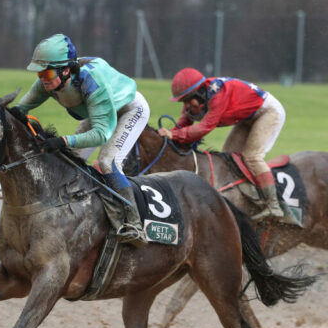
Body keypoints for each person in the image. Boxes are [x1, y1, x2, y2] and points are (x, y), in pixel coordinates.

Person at [14, 33, 150, 247]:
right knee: (69, 161)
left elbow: (102, 134)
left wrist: (63, 140)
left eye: (47, 72)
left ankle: (133, 224)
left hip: (129, 110)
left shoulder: (91, 83)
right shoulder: (46, 82)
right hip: (98, 113)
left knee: (107, 163)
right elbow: (19, 111)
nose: (42, 78)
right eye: (39, 73)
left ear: (66, 70)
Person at [158, 67, 285, 220]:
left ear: (199, 93)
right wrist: (169, 136)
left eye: (187, 100)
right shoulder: (197, 98)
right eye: (183, 101)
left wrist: (174, 134)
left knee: (252, 156)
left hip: (267, 112)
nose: (186, 106)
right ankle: (246, 195)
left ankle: (274, 205)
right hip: (245, 118)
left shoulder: (217, 96)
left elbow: (205, 127)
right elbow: (184, 123)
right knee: (227, 157)